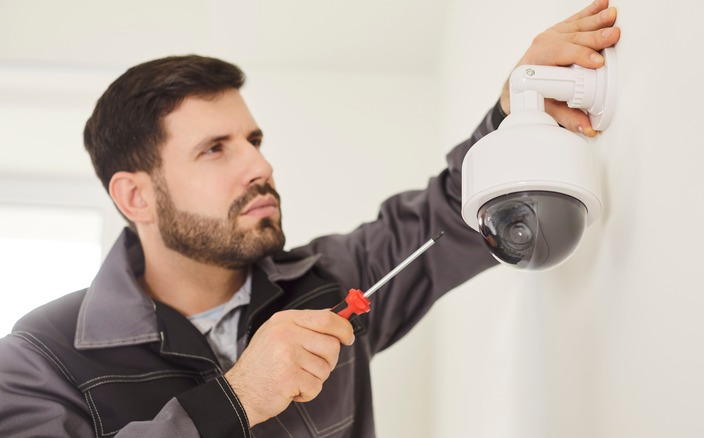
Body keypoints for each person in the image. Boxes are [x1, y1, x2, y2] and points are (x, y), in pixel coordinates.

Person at [0, 1, 620, 436]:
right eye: (216, 149)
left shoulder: (332, 280)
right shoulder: (38, 358)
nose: (260, 165)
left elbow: (446, 218)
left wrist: (515, 112)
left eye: (254, 139)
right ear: (135, 197)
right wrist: (236, 401)